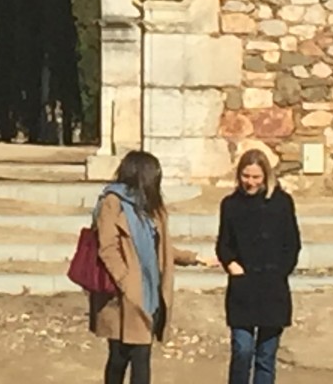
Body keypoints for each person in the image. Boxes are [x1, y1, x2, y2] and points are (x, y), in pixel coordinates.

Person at [89, 150, 211, 384]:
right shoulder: (112, 203)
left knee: (141, 355)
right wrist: (126, 281)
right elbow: (107, 247)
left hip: (149, 294)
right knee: (118, 356)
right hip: (121, 296)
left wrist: (193, 258)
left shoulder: (153, 207)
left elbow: (162, 249)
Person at [215, 149, 301, 384]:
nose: (250, 182)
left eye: (256, 177)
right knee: (242, 350)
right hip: (242, 288)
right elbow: (224, 244)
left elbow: (292, 243)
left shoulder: (282, 203)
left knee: (266, 356)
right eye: (246, 176)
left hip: (273, 288)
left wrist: (280, 271)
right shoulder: (230, 204)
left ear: (266, 176)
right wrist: (232, 265)